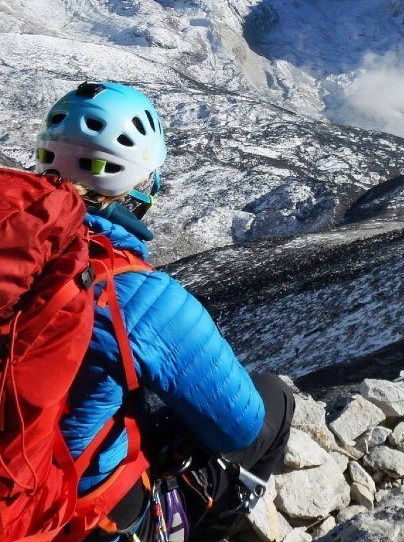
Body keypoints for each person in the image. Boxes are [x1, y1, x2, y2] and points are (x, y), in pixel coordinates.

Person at [35, 81, 293, 540]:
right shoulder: (138, 295)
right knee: (274, 399)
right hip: (70, 516)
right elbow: (240, 429)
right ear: (139, 182)